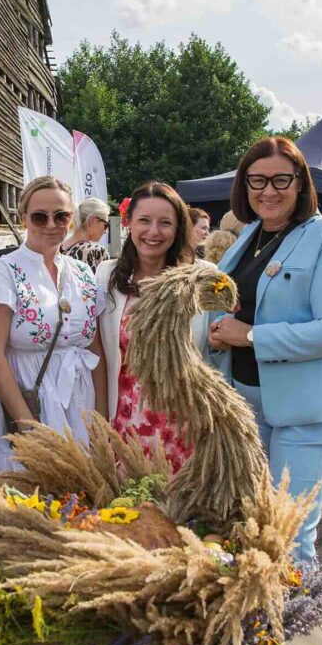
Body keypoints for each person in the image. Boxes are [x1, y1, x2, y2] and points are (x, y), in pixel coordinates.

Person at [207, 136, 322, 563]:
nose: (268, 191)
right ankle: (264, 624)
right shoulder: (248, 236)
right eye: (257, 180)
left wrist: (251, 335)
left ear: (300, 182)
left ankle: (297, 627)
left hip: (305, 408)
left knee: (289, 537)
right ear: (244, 185)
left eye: (280, 180)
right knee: (253, 527)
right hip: (247, 402)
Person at [0, 176, 105, 475]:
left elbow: (94, 347)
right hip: (27, 399)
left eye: (61, 216)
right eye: (40, 216)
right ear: (23, 217)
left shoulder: (82, 272)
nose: (51, 224)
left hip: (79, 400)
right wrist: (28, 428)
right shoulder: (4, 273)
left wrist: (102, 417)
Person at [97, 181, 208, 472]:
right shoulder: (106, 275)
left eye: (165, 223)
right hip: (124, 419)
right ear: (129, 223)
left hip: (184, 423)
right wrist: (99, 421)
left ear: (178, 228)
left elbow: (216, 356)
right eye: (144, 220)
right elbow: (96, 354)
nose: (153, 232)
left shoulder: (203, 278)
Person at [60, 196, 110, 270]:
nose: (106, 231)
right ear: (92, 220)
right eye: (105, 225)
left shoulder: (58, 249)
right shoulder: (97, 252)